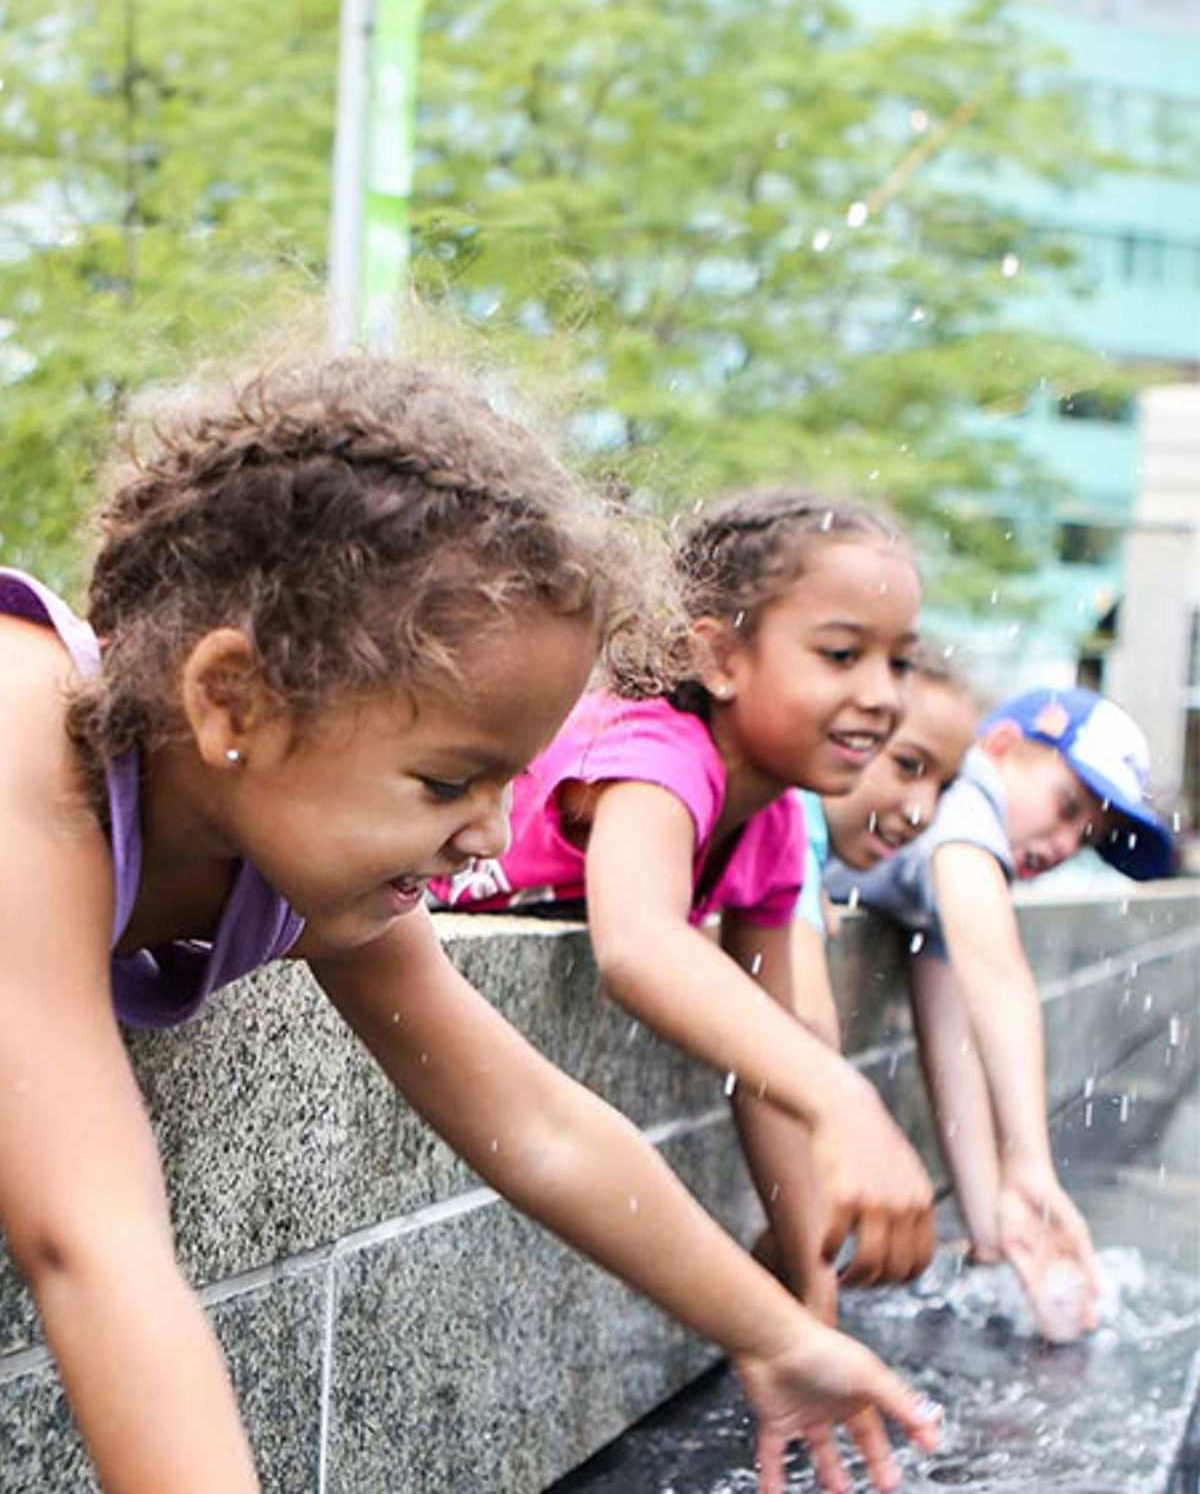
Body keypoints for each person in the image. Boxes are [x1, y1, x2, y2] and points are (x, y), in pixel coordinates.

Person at [0, 360, 940, 1494]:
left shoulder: (289, 818)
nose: (488, 832)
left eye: (505, 779)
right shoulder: (7, 777)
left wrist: (770, 1331)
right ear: (233, 697)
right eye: (446, 779)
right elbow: (92, 1239)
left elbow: (531, 1117)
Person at [434, 488, 938, 1326]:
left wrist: (810, 1299)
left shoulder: (774, 815)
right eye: (843, 654)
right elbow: (636, 945)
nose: (885, 694)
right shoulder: (655, 753)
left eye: (901, 661)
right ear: (720, 656)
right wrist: (845, 1097)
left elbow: (769, 1057)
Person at [847, 682, 1175, 1341]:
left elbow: (954, 1043)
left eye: (1086, 836)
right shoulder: (963, 791)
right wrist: (1031, 1163)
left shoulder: (947, 866)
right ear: (999, 745)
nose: (1063, 843)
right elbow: (997, 971)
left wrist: (993, 1229)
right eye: (1066, 806)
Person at [788, 651, 980, 1052]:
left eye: (944, 788)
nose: (923, 812)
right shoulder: (791, 816)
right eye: (908, 765)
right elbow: (805, 1022)